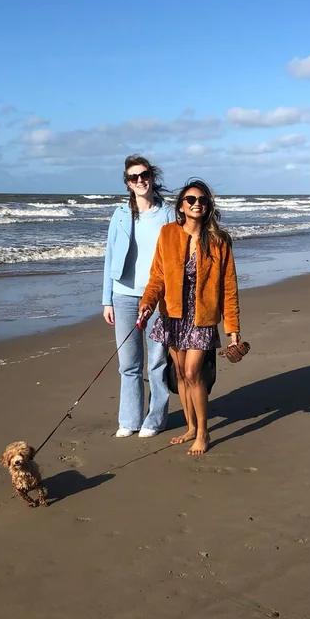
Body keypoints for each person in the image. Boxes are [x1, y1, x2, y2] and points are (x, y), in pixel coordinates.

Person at [139, 180, 242, 456]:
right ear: (181, 206)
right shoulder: (168, 234)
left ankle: (204, 432)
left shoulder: (219, 240)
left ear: (208, 206)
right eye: (191, 199)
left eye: (202, 200)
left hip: (202, 317)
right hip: (172, 314)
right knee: (181, 376)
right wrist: (147, 303)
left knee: (193, 373)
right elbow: (157, 276)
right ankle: (191, 427)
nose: (197, 203)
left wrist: (233, 329)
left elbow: (229, 287)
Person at [101, 154, 175, 438]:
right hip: (123, 295)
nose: (140, 180)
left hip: (157, 295)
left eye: (144, 175)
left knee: (156, 361)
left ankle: (155, 419)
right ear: (128, 183)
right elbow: (109, 257)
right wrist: (107, 299)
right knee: (127, 363)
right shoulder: (120, 214)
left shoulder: (168, 214)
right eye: (134, 177)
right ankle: (129, 420)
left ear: (152, 177)